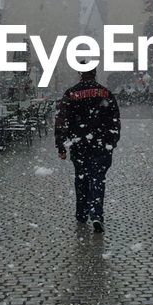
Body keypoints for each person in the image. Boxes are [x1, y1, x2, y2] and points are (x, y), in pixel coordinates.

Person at [55, 66, 121, 231]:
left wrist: (61, 145)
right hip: (101, 144)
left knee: (81, 178)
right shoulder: (105, 93)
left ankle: (82, 213)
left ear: (80, 74)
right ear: (94, 73)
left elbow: (61, 121)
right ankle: (97, 213)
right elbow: (115, 119)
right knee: (98, 179)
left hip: (80, 144)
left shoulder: (71, 94)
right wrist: (112, 141)